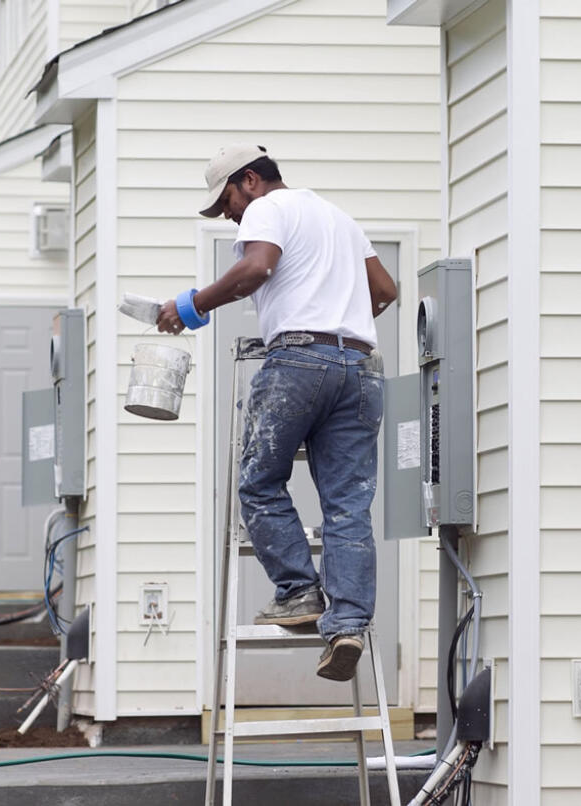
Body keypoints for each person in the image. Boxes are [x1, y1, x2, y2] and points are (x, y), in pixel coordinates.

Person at [156, 144, 397, 682]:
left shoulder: (269, 207)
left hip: (298, 363)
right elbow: (385, 290)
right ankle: (349, 625)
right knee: (347, 506)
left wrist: (191, 306)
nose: (230, 216)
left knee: (259, 483)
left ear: (249, 181)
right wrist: (340, 320)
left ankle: (298, 592)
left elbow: (257, 267)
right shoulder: (339, 217)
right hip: (359, 368)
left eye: (227, 204)